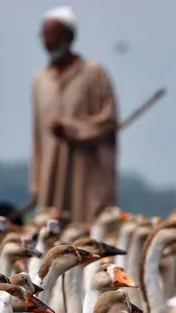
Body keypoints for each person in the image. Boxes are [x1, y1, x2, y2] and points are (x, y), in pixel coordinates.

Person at [30, 6, 118, 226]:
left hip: (85, 173)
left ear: (69, 37)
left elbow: (108, 120)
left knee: (88, 234)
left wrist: (71, 130)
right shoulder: (40, 80)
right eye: (44, 35)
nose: (48, 41)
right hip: (50, 175)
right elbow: (37, 137)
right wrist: (36, 184)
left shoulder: (93, 72)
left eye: (53, 35)